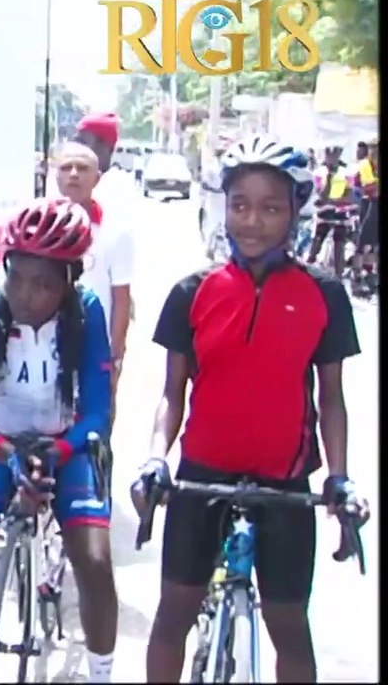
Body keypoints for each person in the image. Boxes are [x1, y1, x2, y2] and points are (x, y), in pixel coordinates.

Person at [138, 136, 366, 683]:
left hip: (284, 482)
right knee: (173, 619)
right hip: (201, 476)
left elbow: (330, 396)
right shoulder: (193, 290)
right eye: (240, 204)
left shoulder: (324, 292)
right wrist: (154, 459)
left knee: (290, 628)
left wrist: (339, 478)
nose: (253, 221)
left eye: (271, 207)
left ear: (295, 211)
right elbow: (173, 392)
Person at [0, 198, 115, 683]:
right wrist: (7, 453)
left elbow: (98, 410)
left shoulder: (87, 311)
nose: (24, 294)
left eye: (43, 285)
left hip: (66, 446)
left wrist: (59, 450)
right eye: (15, 276)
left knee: (95, 564)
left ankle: (102, 674)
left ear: (69, 283)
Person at [55, 143, 134, 428]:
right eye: (66, 168)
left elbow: (122, 300)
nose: (74, 174)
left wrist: (114, 359)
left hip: (94, 351)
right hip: (47, 350)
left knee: (95, 435)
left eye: (83, 168)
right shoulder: (38, 226)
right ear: (56, 177)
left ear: (97, 178)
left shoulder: (115, 232)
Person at [305, 145, 356, 278]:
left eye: (335, 154)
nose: (332, 157)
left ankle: (339, 277)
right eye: (329, 154)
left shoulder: (347, 172)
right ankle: (306, 269)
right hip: (323, 213)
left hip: (341, 213)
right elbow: (319, 197)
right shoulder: (318, 172)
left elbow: (349, 198)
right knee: (316, 243)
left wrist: (330, 202)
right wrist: (329, 178)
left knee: (339, 244)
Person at [351, 137, 379, 290]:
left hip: (374, 203)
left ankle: (369, 274)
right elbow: (369, 187)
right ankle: (356, 274)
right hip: (367, 204)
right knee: (362, 243)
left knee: (374, 244)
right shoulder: (364, 165)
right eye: (373, 149)